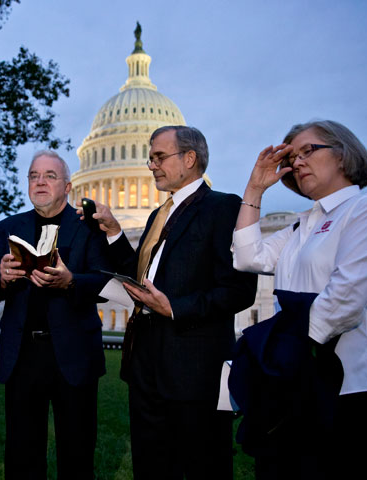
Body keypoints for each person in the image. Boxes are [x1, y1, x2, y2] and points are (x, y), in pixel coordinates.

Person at [232, 120, 367, 479]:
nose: (299, 162)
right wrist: (255, 189)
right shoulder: (300, 224)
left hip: (349, 388)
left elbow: (343, 303)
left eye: (309, 150)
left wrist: (269, 350)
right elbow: (247, 257)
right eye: (292, 157)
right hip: (290, 383)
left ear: (342, 155)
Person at [90, 126, 257, 479]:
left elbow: (239, 289)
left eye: (159, 157)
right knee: (150, 464)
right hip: (147, 362)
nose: (151, 165)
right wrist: (114, 232)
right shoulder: (157, 215)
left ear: (190, 159)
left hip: (196, 367)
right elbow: (142, 277)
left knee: (201, 464)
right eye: (150, 158)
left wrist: (175, 307)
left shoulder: (222, 207)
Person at [0, 150, 110, 479]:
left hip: (74, 351)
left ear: (67, 186)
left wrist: (70, 281)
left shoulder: (88, 228)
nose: (40, 181)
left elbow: (105, 281)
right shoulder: (9, 226)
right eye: (34, 176)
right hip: (23, 353)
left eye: (50, 176)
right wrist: (2, 277)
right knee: (22, 452)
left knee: (77, 451)